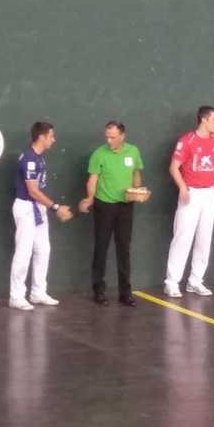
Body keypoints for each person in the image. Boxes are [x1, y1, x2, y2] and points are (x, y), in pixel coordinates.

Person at [163, 106, 214, 297]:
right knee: (182, 238)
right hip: (190, 194)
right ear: (204, 120)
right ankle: (171, 282)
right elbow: (174, 167)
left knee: (204, 239)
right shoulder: (187, 140)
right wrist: (183, 187)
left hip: (209, 194)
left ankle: (195, 281)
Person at [78, 121, 143, 307]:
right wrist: (89, 198)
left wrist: (137, 190)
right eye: (107, 136)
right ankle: (99, 291)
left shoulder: (133, 151)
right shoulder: (99, 154)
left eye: (112, 137)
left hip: (126, 206)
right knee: (101, 248)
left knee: (124, 248)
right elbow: (92, 180)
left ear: (122, 136)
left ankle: (125, 293)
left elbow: (136, 173)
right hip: (104, 206)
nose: (109, 140)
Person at [10, 121, 72, 310]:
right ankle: (16, 296)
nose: (54, 139)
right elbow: (33, 191)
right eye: (51, 136)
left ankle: (37, 293)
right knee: (24, 252)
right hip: (26, 208)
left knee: (43, 250)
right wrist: (56, 208)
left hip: (39, 208)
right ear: (41, 137)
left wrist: (49, 207)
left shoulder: (40, 158)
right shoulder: (29, 159)